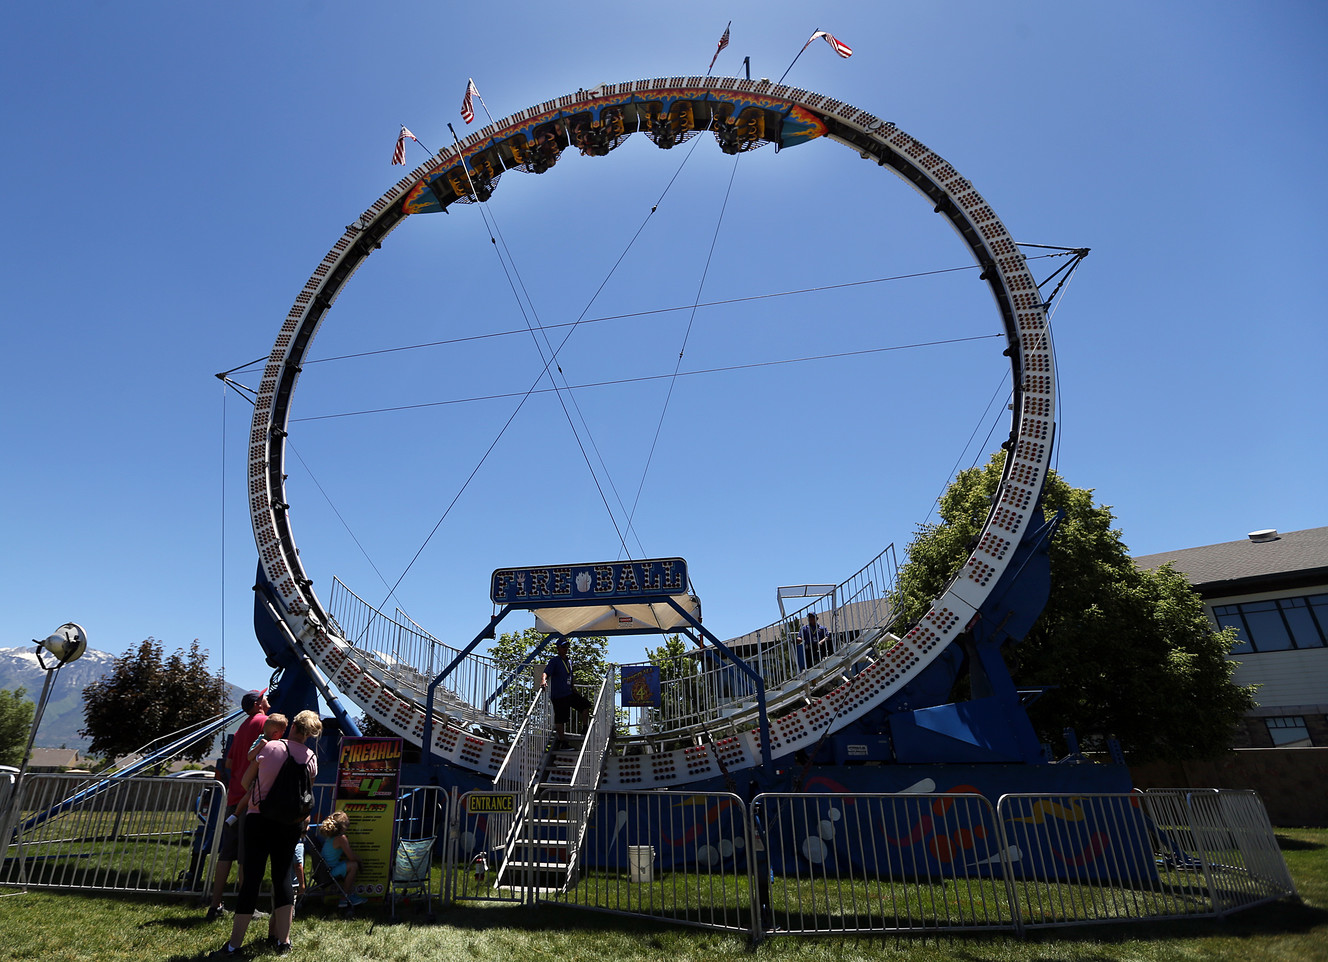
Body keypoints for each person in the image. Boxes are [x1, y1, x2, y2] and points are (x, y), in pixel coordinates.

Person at [211, 709, 322, 958]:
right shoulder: (311, 757)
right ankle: (284, 942)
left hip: (259, 819)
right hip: (290, 824)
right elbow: (305, 793)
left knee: (252, 878)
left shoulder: (270, 747)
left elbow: (244, 782)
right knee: (283, 877)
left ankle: (234, 946)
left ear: (293, 725)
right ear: (309, 734)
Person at [206, 689, 268, 921]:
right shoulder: (264, 722)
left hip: (233, 796)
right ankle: (246, 908)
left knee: (226, 854)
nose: (268, 698)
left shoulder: (242, 727)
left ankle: (215, 904)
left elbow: (230, 761)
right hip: (251, 798)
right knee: (247, 855)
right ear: (258, 704)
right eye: (265, 697)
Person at [541, 639, 592, 749]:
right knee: (560, 719)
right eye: (563, 647)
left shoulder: (569, 661)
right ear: (558, 648)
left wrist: (573, 688)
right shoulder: (554, 661)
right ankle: (562, 741)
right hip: (558, 695)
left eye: (567, 646)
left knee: (586, 705)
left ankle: (585, 727)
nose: (566, 649)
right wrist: (543, 681)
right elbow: (546, 672)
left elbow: (570, 676)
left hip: (569, 693)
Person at [318, 810, 366, 907]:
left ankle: (349, 894)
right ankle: (345, 897)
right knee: (354, 865)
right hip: (329, 871)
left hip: (324, 869)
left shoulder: (331, 836)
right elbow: (351, 856)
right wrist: (360, 860)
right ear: (343, 825)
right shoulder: (341, 839)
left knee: (350, 864)